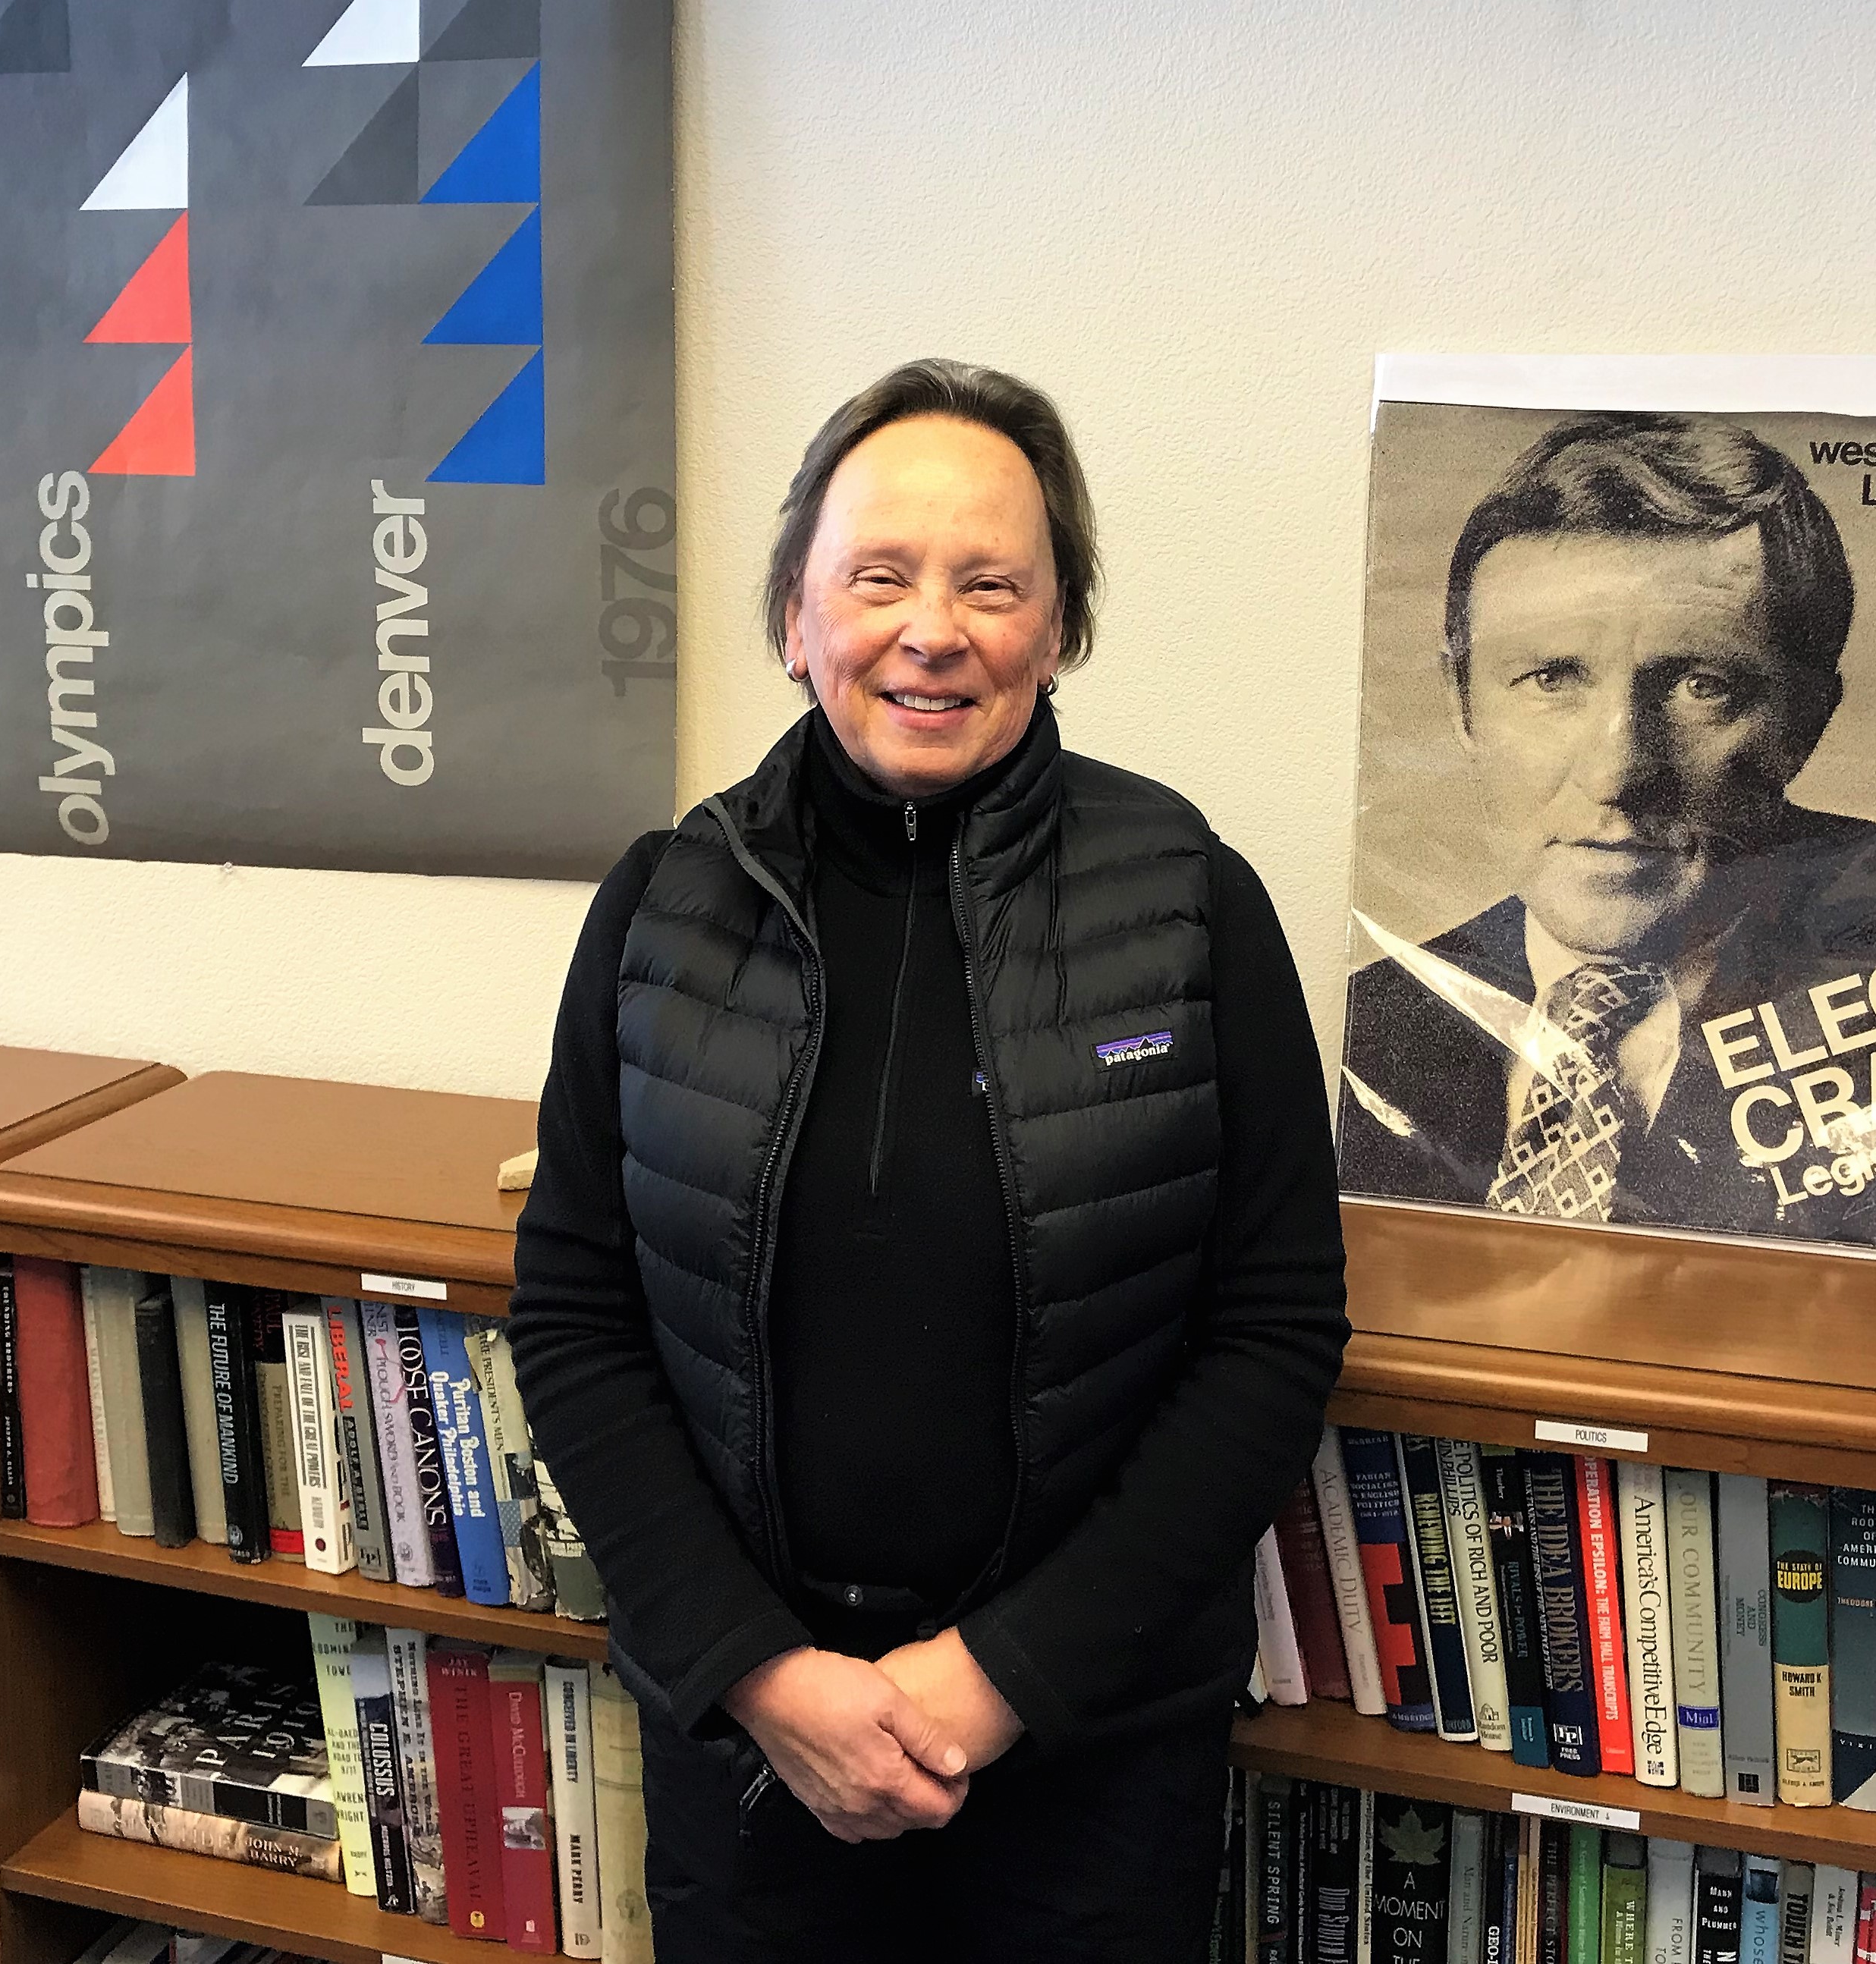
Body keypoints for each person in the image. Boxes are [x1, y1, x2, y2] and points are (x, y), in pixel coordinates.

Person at [509, 360, 1349, 1962]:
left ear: (1059, 625)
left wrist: (1004, 1674)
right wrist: (759, 1670)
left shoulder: (1191, 903)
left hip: (1091, 1753)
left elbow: (1274, 1328)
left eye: (993, 583)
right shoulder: (658, 909)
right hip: (757, 1757)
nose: (933, 628)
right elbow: (575, 1310)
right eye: (877, 576)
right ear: (796, 616)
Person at [1337, 411, 1876, 1262]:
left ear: (1804, 723)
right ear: (1464, 705)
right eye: (1549, 678)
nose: (1616, 774)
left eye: (1700, 684)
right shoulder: (1372, 1024)